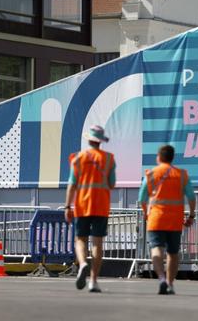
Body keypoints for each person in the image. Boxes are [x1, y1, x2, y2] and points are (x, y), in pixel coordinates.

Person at [64, 125, 116, 293]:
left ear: (89, 139)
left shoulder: (78, 158)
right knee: (98, 243)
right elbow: (112, 184)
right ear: (101, 141)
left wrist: (67, 206)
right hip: (101, 205)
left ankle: (83, 263)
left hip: (82, 204)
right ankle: (93, 281)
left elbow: (72, 185)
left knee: (80, 240)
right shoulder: (108, 159)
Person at [139, 145, 196, 295]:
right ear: (172, 157)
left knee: (156, 248)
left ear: (159, 157)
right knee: (173, 253)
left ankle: (162, 278)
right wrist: (191, 215)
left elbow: (142, 198)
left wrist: (146, 213)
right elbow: (191, 196)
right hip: (175, 220)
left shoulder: (151, 174)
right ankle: (170, 284)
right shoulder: (182, 175)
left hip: (156, 219)